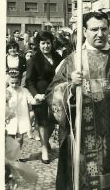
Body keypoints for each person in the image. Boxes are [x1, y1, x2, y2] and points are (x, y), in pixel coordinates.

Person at [46, 11, 110, 189]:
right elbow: (53, 94)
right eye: (94, 29)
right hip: (84, 136)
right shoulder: (74, 60)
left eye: (104, 29)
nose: (100, 34)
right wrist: (71, 87)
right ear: (84, 31)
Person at [26, 30, 63, 164]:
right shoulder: (34, 60)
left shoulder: (58, 58)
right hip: (40, 96)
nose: (46, 46)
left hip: (56, 95)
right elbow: (29, 80)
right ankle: (44, 150)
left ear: (51, 43)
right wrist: (36, 94)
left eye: (48, 43)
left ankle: (45, 141)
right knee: (42, 122)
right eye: (43, 43)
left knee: (53, 121)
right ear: (38, 44)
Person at [5, 71, 40, 155]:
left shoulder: (24, 90)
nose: (14, 85)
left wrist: (36, 100)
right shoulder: (6, 91)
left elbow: (30, 99)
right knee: (10, 137)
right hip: (10, 118)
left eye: (17, 83)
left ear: (20, 81)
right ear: (8, 82)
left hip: (22, 117)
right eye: (12, 83)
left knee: (19, 138)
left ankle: (18, 153)